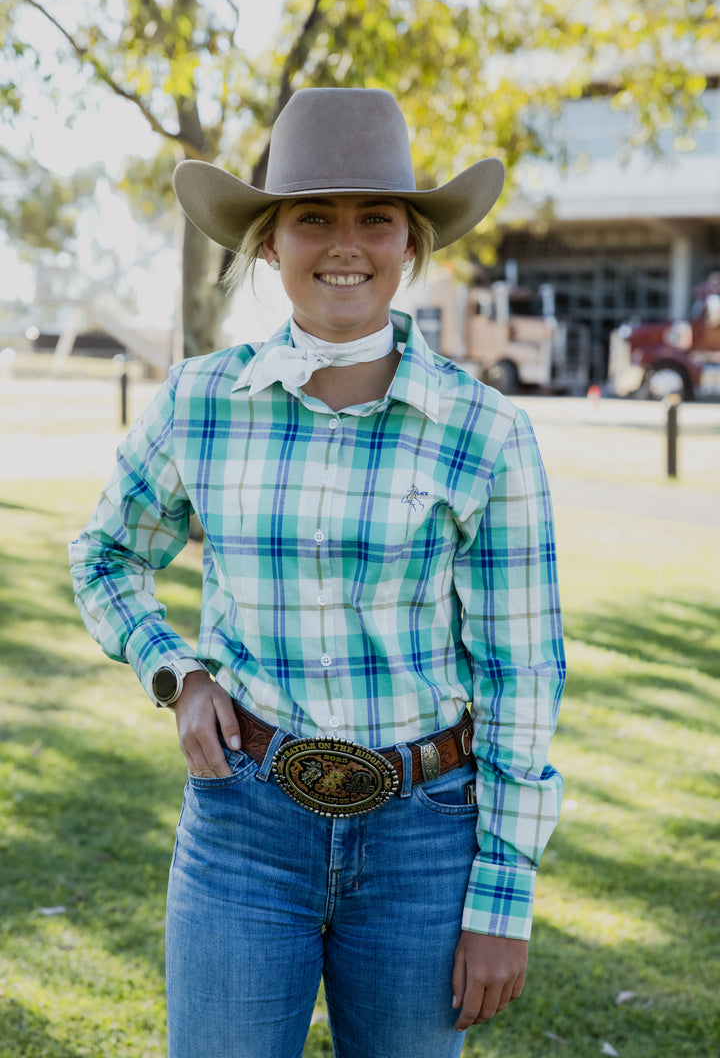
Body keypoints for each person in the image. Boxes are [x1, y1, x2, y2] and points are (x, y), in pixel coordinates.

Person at [69, 87, 565, 1058]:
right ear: (267, 242)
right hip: (243, 828)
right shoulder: (201, 403)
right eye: (312, 217)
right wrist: (178, 672)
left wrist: (503, 895)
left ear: (411, 243)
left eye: (375, 216)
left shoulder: (486, 434)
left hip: (425, 840)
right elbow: (106, 555)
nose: (346, 243)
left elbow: (521, 677)